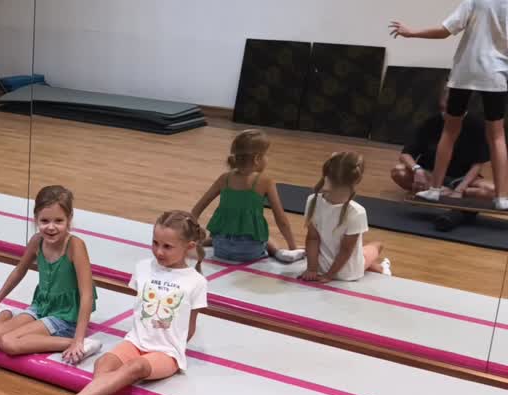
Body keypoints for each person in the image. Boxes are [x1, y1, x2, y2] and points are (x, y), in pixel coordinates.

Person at [46, 211, 209, 395]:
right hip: (135, 341)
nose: (159, 251)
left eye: (167, 246)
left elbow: (190, 328)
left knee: (136, 367)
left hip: (166, 352)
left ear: (189, 246)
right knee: (104, 362)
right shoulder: (143, 267)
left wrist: (169, 340)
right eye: (155, 243)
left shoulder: (196, 282)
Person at [391, 1, 508, 211]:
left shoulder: (474, 1)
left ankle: (435, 189)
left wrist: (411, 33)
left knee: (450, 130)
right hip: (496, 73)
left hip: (466, 72)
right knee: (497, 136)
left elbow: (445, 31)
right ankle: (502, 197)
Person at [0, 185, 101, 364]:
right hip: (41, 306)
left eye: (58, 221)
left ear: (69, 219)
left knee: (9, 343)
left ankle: (83, 344)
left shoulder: (75, 246)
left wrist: (78, 339)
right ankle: (5, 313)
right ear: (36, 219)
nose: (51, 227)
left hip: (65, 315)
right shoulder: (37, 241)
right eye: (44, 221)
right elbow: (19, 270)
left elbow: (87, 295)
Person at [191, 129, 306, 264]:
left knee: (225, 232)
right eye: (266, 155)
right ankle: (278, 252)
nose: (267, 159)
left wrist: (193, 233)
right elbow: (282, 220)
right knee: (264, 236)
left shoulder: (224, 179)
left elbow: (195, 211)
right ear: (257, 159)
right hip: (250, 251)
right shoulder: (265, 181)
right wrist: (292, 246)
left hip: (220, 248)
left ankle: (197, 243)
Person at [391, 87, 495, 230]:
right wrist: (417, 170)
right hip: (431, 175)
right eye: (444, 108)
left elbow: (478, 164)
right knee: (398, 171)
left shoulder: (476, 125)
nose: (446, 112)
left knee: (491, 191)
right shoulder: (430, 123)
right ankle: (443, 192)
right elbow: (406, 154)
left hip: (461, 178)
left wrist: (460, 189)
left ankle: (448, 194)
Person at [301, 152, 391, 282]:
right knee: (377, 245)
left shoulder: (312, 200)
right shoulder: (357, 212)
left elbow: (312, 239)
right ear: (357, 180)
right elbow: (346, 250)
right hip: (347, 272)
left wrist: (312, 269)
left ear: (326, 177)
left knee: (362, 252)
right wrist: (329, 276)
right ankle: (383, 268)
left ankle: (381, 268)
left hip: (322, 266)